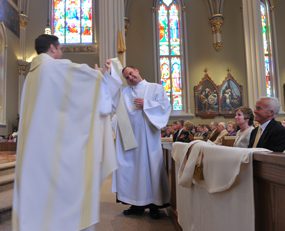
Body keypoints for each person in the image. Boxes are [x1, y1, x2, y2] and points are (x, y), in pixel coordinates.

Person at [12, 34, 122, 231]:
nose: (61, 53)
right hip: (54, 150)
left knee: (38, 195)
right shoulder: (55, 67)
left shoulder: (30, 76)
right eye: (60, 49)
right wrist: (106, 74)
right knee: (64, 192)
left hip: (34, 151)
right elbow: (89, 82)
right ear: (53, 48)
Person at [112, 65, 171, 219]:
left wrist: (147, 104)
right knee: (133, 171)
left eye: (131, 73)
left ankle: (154, 206)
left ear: (137, 70)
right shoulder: (124, 93)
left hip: (149, 139)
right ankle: (136, 204)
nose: (130, 78)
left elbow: (165, 107)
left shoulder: (156, 88)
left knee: (151, 169)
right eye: (127, 77)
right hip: (131, 140)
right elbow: (116, 113)